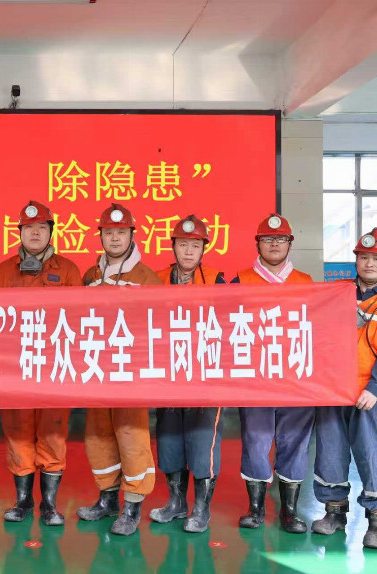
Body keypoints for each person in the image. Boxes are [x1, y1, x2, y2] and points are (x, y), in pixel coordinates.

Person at [310, 228, 377, 549]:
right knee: (330, 453)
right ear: (356, 260)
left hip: (368, 394)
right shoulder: (336, 293)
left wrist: (375, 387)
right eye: (364, 257)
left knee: (372, 454)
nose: (369, 263)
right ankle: (334, 514)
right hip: (332, 391)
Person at [0, 200, 82, 526]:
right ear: (19, 232)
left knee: (53, 432)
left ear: (51, 232)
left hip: (55, 366)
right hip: (16, 368)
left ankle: (50, 505)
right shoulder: (2, 272)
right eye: (28, 228)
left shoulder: (69, 271)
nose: (35, 233)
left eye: (41, 227)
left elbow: (79, 319)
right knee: (17, 432)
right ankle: (23, 501)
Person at [75, 204, 158, 536]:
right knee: (98, 435)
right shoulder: (89, 276)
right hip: (96, 369)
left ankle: (132, 506)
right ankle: (107, 499)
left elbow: (157, 326)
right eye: (108, 232)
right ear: (100, 236)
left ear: (132, 235)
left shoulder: (147, 278)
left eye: (121, 232)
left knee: (131, 435)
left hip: (130, 373)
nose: (114, 238)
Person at [233, 213, 314, 533]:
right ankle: (255, 509)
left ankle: (289, 512)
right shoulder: (240, 281)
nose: (275, 244)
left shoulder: (307, 283)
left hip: (296, 379)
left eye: (281, 239)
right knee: (255, 441)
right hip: (255, 379)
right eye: (268, 239)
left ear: (290, 244)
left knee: (294, 442)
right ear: (258, 244)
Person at [150, 215, 226, 533]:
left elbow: (229, 325)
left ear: (203, 248)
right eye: (183, 244)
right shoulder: (155, 280)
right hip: (168, 376)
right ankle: (176, 503)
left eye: (195, 245)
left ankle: (201, 509)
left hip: (204, 376)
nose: (189, 251)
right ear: (174, 246)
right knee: (169, 442)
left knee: (202, 442)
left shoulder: (217, 281)